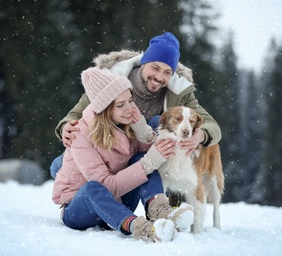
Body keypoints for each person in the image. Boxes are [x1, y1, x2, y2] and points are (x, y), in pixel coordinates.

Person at [52, 32, 221, 180]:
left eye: (167, 72)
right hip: (108, 148)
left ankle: (159, 201)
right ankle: (88, 198)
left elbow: (211, 125)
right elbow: (77, 112)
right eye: (155, 68)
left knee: (158, 121)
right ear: (143, 63)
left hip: (146, 152)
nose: (159, 77)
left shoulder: (179, 93)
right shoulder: (113, 79)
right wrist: (65, 126)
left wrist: (201, 136)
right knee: (58, 167)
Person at [52, 67, 194, 242]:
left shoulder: (127, 119)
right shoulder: (80, 134)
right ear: (104, 109)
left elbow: (145, 156)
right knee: (93, 188)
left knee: (140, 159)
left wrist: (144, 133)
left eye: (130, 100)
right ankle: (142, 228)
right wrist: (149, 162)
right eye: (120, 105)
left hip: (119, 204)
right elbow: (106, 186)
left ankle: (162, 213)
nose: (130, 108)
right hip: (81, 208)